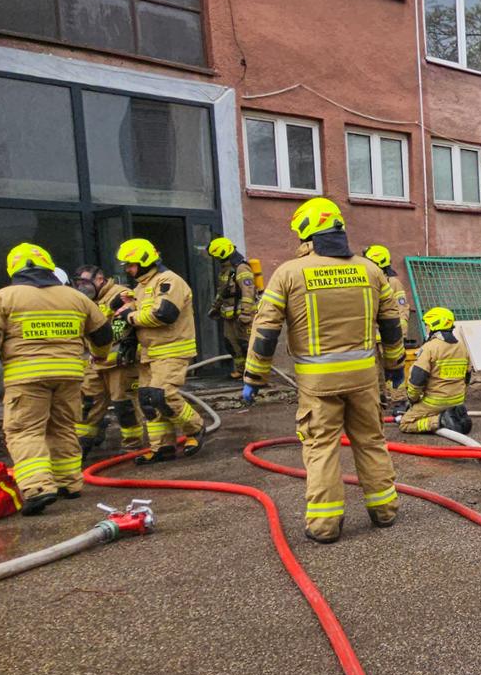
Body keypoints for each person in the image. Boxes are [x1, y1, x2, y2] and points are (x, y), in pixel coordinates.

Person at [242, 198, 406, 543]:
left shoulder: (288, 273)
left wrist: (253, 378)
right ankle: (385, 510)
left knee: (321, 448)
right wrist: (395, 368)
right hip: (364, 380)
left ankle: (325, 525)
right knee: (372, 442)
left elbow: (265, 331)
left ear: (306, 233)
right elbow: (392, 326)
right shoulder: (371, 270)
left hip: (318, 384)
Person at [0, 244, 113, 515]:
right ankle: (70, 483)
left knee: (25, 431)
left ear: (13, 269)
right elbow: (102, 332)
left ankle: (38, 487)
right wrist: (99, 357)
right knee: (63, 427)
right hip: (69, 375)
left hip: (27, 377)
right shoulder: (75, 297)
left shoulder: (4, 297)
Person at [114, 238, 204, 464]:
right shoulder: (142, 287)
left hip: (171, 349)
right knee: (147, 400)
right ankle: (162, 447)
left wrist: (130, 316)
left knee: (163, 395)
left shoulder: (169, 281)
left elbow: (164, 314)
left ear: (145, 261)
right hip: (149, 352)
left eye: (131, 264)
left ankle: (195, 428)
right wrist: (126, 306)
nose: (127, 269)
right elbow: (143, 310)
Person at [72, 266, 144, 452]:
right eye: (78, 284)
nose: (81, 288)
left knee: (124, 405)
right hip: (95, 363)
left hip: (119, 362)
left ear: (100, 279)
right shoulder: (85, 300)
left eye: (85, 283)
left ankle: (132, 445)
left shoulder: (121, 295)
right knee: (88, 404)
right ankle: (81, 444)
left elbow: (117, 332)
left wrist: (107, 312)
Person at [399, 307, 474, 435]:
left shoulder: (429, 348)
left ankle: (440, 420)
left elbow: (417, 380)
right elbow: (467, 377)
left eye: (427, 325)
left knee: (405, 423)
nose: (426, 329)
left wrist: (412, 400)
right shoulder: (462, 347)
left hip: (435, 402)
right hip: (458, 401)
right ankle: (452, 416)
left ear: (435, 325)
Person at [365, 244, 414, 415]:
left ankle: (399, 400)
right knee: (373, 371)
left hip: (390, 336)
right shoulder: (369, 282)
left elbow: (402, 309)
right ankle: (378, 399)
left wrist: (400, 333)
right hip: (372, 337)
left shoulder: (393, 283)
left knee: (395, 370)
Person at [206, 237, 258, 379]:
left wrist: (246, 313)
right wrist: (215, 308)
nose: (216, 260)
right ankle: (241, 371)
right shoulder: (225, 271)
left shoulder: (241, 268)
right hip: (229, 316)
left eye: (216, 256)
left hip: (242, 315)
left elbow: (248, 291)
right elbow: (222, 292)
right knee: (232, 345)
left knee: (246, 345)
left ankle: (254, 374)